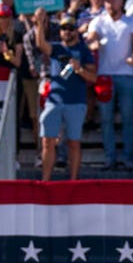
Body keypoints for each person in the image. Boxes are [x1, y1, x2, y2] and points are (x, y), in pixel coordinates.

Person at [34, 13, 96, 181]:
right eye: (63, 28)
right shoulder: (56, 48)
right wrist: (39, 23)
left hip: (76, 102)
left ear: (76, 31)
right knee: (48, 141)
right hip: (54, 101)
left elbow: (93, 77)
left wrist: (79, 69)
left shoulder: (84, 51)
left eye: (70, 28)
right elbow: (41, 44)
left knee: (73, 143)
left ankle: (73, 180)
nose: (67, 32)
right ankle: (46, 180)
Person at [86, 0, 133, 170]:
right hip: (104, 75)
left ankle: (128, 158)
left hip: (126, 74)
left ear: (121, 2)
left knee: (127, 117)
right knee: (106, 119)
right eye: (107, 0)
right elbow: (91, 37)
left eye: (113, 0)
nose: (109, 3)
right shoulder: (97, 22)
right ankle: (110, 158)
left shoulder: (131, 22)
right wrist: (93, 43)